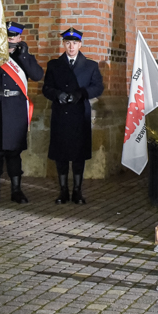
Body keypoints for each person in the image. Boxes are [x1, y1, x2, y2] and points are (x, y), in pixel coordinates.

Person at [43, 28, 104, 204]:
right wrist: (57, 94)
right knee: (61, 153)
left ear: (80, 44)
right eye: (68, 43)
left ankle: (77, 191)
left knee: (78, 154)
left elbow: (98, 87)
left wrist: (82, 93)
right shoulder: (54, 65)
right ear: (63, 44)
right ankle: (63, 191)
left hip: (79, 115)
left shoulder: (90, 65)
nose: (71, 46)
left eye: (75, 43)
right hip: (61, 114)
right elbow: (46, 88)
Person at [0, 20, 43, 204]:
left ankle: (16, 190)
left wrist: (24, 56)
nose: (10, 40)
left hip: (16, 107)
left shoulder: (23, 57)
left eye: (14, 37)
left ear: (19, 38)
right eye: (7, 37)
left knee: (13, 153)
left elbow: (37, 75)